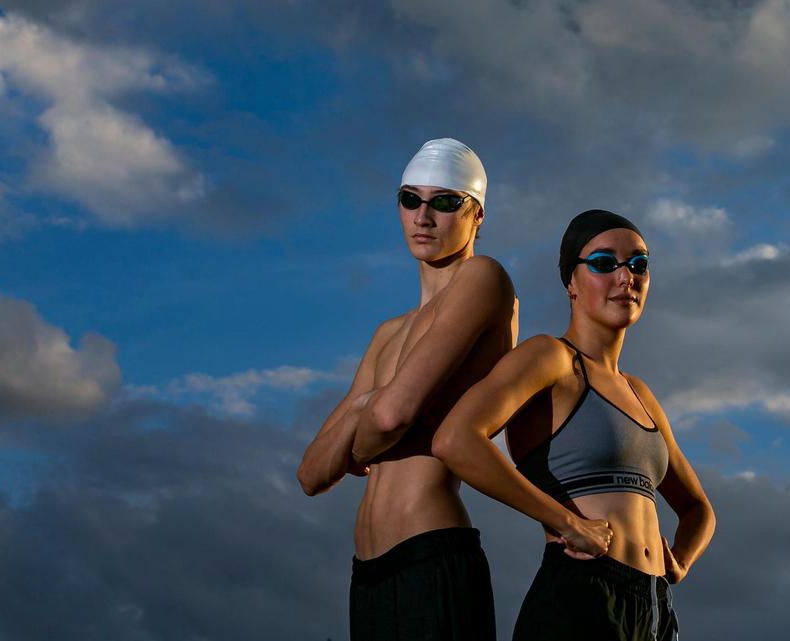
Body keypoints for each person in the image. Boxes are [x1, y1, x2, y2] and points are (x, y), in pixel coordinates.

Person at [432, 209, 716, 641]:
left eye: (638, 264)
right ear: (571, 282)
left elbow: (698, 509)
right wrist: (565, 522)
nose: (626, 277)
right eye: (605, 263)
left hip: (654, 609)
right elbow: (455, 440)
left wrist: (679, 561)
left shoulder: (640, 393)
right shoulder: (551, 359)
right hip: (581, 595)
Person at [297, 138, 526, 641]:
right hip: (368, 575)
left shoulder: (483, 279)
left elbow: (391, 418)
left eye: (445, 202)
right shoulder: (388, 333)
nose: (424, 216)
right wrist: (365, 404)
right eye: (410, 200)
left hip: (432, 552)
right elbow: (311, 474)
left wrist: (366, 417)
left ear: (477, 216)